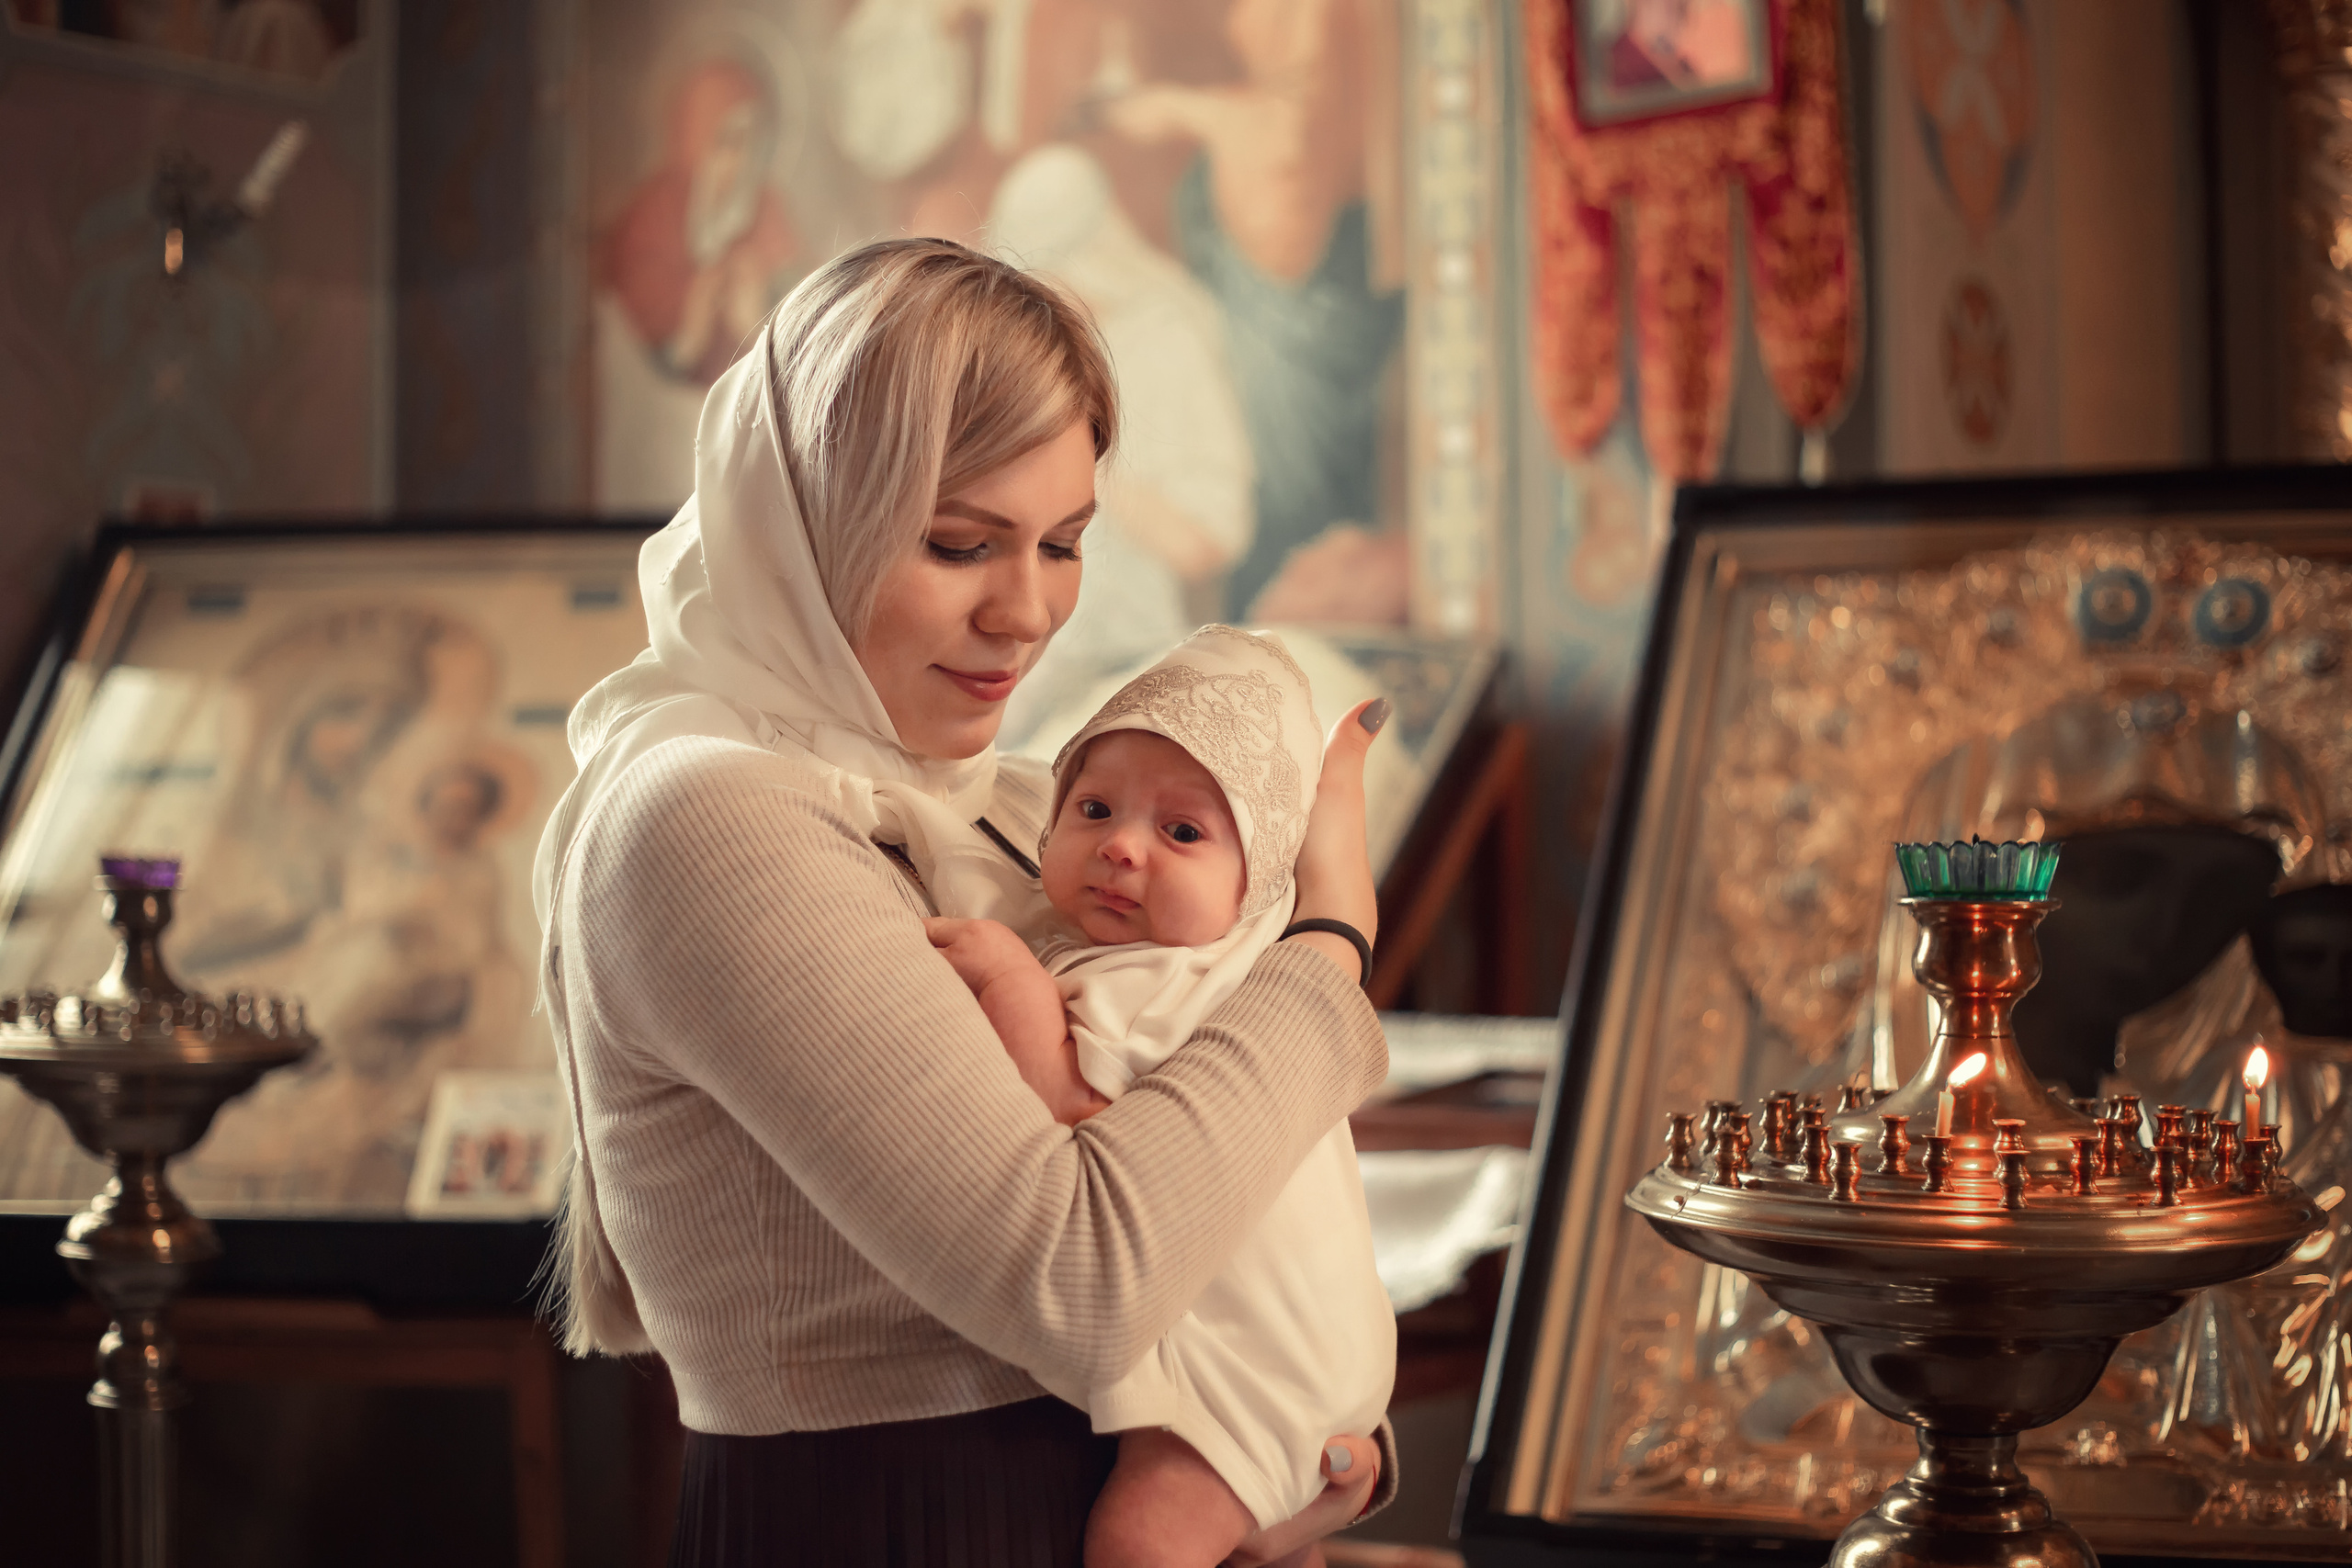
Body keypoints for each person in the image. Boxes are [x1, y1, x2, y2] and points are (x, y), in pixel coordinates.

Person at [532, 237, 1396, 1565]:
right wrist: (1330, 947)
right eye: (957, 543)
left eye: (1064, 543)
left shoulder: (996, 796)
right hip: (895, 1519)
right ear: (804, 509)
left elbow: (1217, 1180)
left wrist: (1291, 1425)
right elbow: (1087, 1276)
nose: (1028, 611)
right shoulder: (705, 815)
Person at [928, 626, 1393, 1567]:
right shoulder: (1177, 968)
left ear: (1254, 885)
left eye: (1181, 831)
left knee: (1141, 1541)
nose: (1121, 850)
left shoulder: (1168, 983)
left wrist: (1015, 984)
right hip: (1296, 1359)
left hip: (1251, 1373)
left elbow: (1075, 1117)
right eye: (1093, 809)